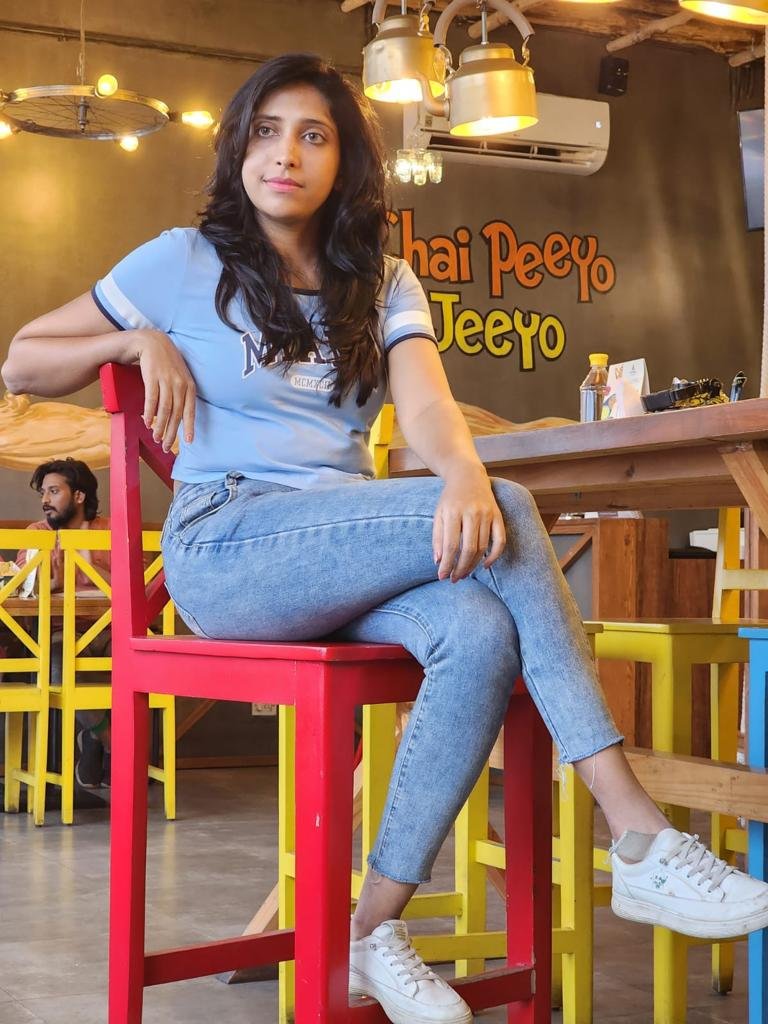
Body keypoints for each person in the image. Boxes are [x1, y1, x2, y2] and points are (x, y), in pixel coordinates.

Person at [3, 52, 767, 1024]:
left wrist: (462, 474)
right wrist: (131, 339)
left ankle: (370, 928)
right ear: (239, 146)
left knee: (478, 631)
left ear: (345, 161)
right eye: (267, 131)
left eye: (312, 135)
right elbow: (21, 358)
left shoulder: (385, 281)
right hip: (225, 544)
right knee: (511, 511)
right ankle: (637, 830)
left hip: (336, 546)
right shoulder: (182, 261)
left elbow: (430, 405)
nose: (286, 154)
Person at [17, 458, 112, 789]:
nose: (45, 500)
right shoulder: (37, 534)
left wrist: (85, 562)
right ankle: (109, 740)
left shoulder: (110, 531)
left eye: (54, 491)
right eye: (43, 493)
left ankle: (95, 739)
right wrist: (55, 582)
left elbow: (137, 588)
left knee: (138, 667)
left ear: (79, 496)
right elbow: (25, 588)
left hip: (110, 629)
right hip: (61, 630)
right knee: (58, 665)